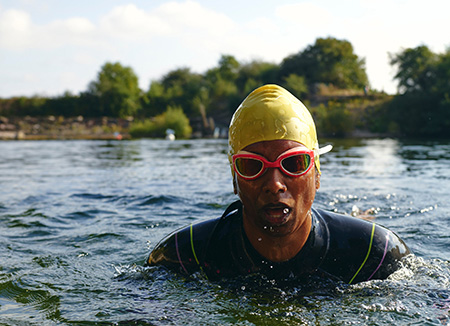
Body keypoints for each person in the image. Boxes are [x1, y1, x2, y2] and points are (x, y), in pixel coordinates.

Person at [147, 84, 410, 286]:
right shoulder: (184, 254)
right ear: (235, 179)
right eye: (253, 166)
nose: (274, 184)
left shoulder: (373, 253)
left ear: (317, 174)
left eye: (293, 163)